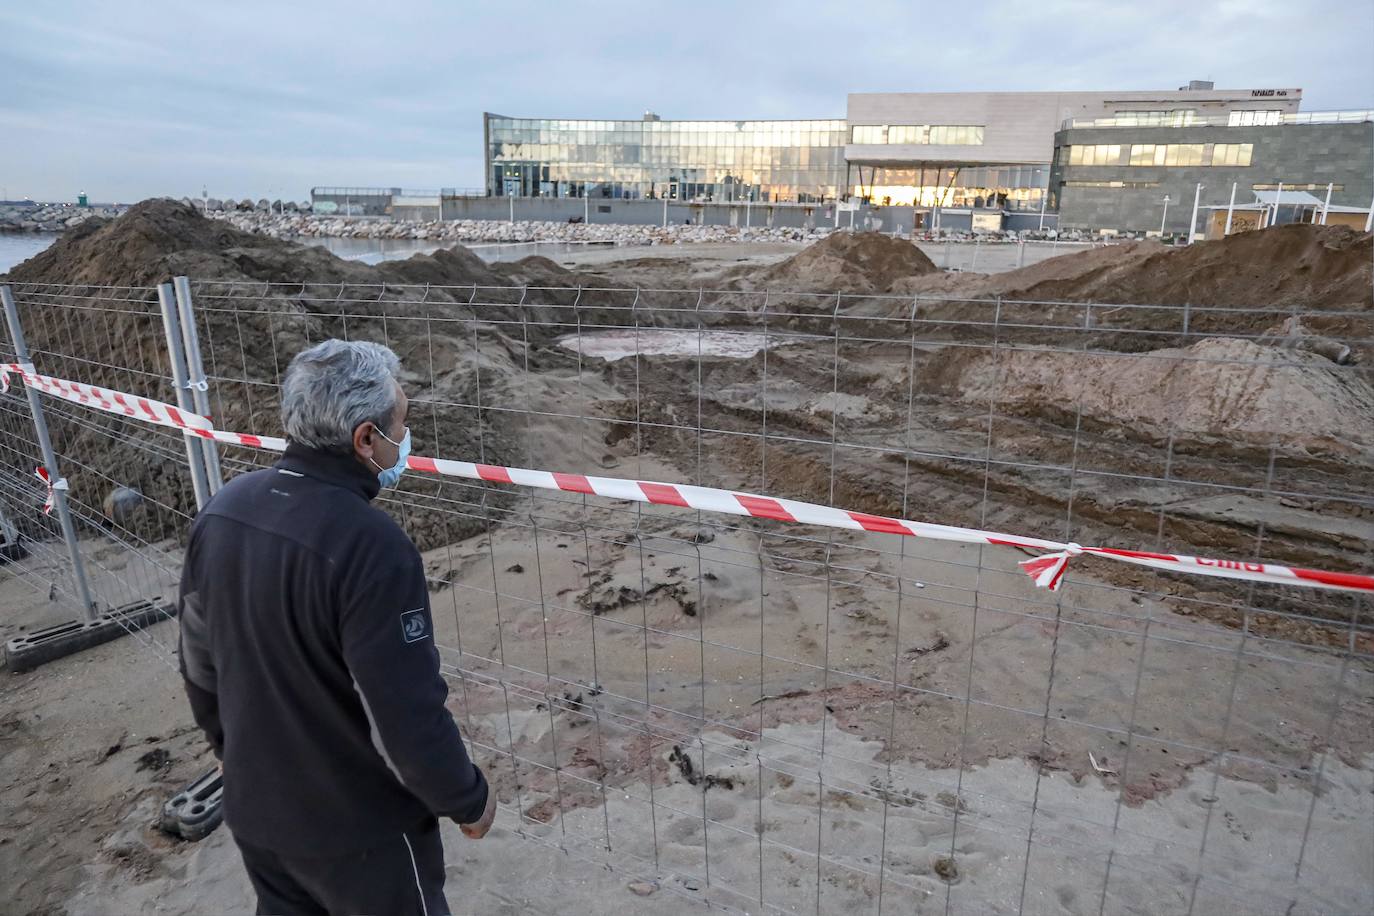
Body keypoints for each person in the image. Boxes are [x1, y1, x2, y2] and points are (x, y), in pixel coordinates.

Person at [178, 339, 494, 915]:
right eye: (400, 423)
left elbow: (199, 660)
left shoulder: (225, 509)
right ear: (366, 439)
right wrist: (466, 797)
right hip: (359, 831)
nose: (407, 438)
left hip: (257, 810)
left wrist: (228, 746)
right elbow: (402, 712)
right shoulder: (372, 547)